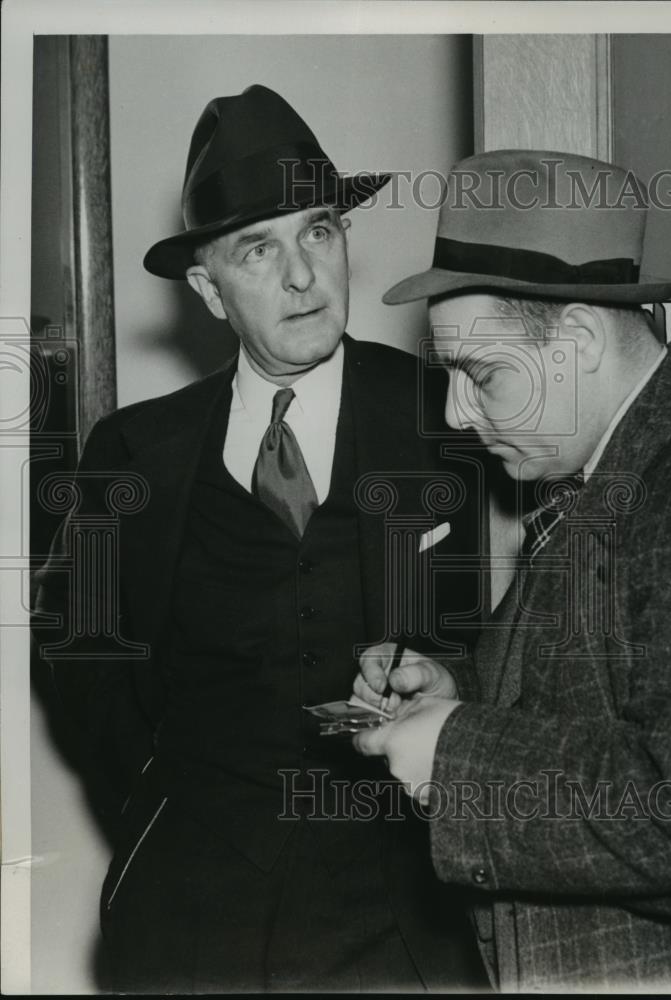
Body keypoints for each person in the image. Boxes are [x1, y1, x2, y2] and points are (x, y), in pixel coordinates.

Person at [33, 86, 487, 993]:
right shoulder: (136, 451)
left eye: (319, 231)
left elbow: (485, 637)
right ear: (207, 289)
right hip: (191, 907)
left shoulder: (442, 416)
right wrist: (166, 800)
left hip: (403, 900)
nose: (301, 276)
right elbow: (79, 659)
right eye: (258, 248)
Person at [353, 149, 671, 992]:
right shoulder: (602, 470)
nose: (452, 414)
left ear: (579, 339)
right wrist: (454, 689)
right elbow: (591, 696)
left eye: (480, 375)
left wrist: (456, 753)